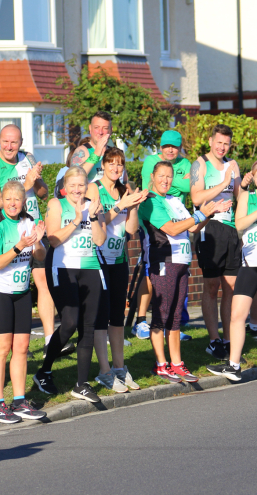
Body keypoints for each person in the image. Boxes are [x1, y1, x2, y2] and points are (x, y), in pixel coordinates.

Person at [142, 161, 230, 382]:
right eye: (161, 176)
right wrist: (201, 215)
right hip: (163, 262)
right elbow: (171, 229)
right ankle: (160, 364)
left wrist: (209, 213)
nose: (165, 180)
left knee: (174, 317)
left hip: (182, 263)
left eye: (169, 177)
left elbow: (191, 227)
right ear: (153, 176)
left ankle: (177, 363)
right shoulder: (150, 202)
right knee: (161, 316)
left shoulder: (175, 201)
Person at [206, 159, 257, 382]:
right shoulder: (246, 197)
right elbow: (240, 224)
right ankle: (234, 365)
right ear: (253, 178)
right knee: (237, 314)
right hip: (249, 262)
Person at [0, 124, 56, 354]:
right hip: (10, 231)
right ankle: (13, 342)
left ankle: (49, 340)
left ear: (21, 142)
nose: (9, 146)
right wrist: (26, 184)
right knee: (14, 286)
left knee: (43, 282)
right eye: (5, 142)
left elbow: (43, 193)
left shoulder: (28, 157)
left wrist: (38, 179)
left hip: (32, 226)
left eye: (14, 142)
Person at [33, 167, 107, 401]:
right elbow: (53, 239)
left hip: (90, 267)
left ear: (87, 186)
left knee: (88, 326)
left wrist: (92, 217)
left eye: (81, 185)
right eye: (73, 185)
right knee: (70, 322)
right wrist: (77, 219)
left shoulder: (94, 205)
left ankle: (81, 384)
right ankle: (44, 371)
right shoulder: (57, 204)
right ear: (65, 186)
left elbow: (100, 239)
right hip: (62, 268)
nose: (77, 190)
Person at [0, 181, 48, 423]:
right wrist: (20, 245)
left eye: (17, 199)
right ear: (2, 201)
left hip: (21, 292)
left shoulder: (29, 221)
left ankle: (19, 401)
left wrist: (38, 242)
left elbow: (40, 257)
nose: (12, 203)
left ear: (23, 202)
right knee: (1, 349)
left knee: (21, 348)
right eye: (8, 199)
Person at [88, 147, 146, 393]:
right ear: (103, 165)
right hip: (98, 259)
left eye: (120, 164)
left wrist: (132, 206)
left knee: (117, 317)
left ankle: (120, 367)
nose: (116, 168)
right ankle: (104, 371)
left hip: (119, 259)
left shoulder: (125, 190)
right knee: (100, 318)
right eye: (111, 163)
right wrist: (121, 204)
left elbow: (132, 230)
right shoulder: (94, 188)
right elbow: (99, 223)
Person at [190, 124, 243, 360]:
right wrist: (223, 183)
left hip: (231, 230)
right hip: (209, 229)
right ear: (211, 141)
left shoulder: (233, 165)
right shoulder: (200, 164)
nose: (222, 147)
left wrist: (247, 183)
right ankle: (213, 340)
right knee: (212, 288)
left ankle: (229, 339)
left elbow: (240, 196)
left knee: (230, 289)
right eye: (219, 142)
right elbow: (196, 197)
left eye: (226, 143)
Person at [135, 130, 194, 341]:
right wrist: (175, 182)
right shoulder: (150, 160)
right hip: (154, 221)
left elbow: (192, 186)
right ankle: (142, 320)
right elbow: (148, 188)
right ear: (160, 147)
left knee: (177, 272)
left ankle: (174, 324)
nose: (170, 150)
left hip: (180, 219)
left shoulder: (186, 164)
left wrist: (167, 183)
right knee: (153, 272)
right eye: (166, 146)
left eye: (175, 147)